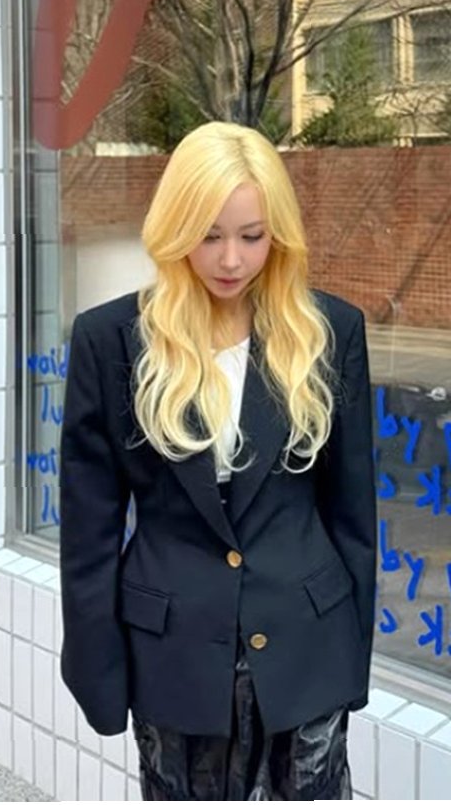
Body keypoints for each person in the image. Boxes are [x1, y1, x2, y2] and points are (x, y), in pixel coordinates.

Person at [59, 122, 376, 800]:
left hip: (307, 645)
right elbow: (88, 532)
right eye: (208, 236)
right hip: (172, 653)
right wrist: (96, 670)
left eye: (251, 236)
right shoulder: (111, 341)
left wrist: (353, 658)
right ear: (175, 229)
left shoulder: (329, 331)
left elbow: (353, 515)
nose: (231, 259)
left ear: (277, 234)